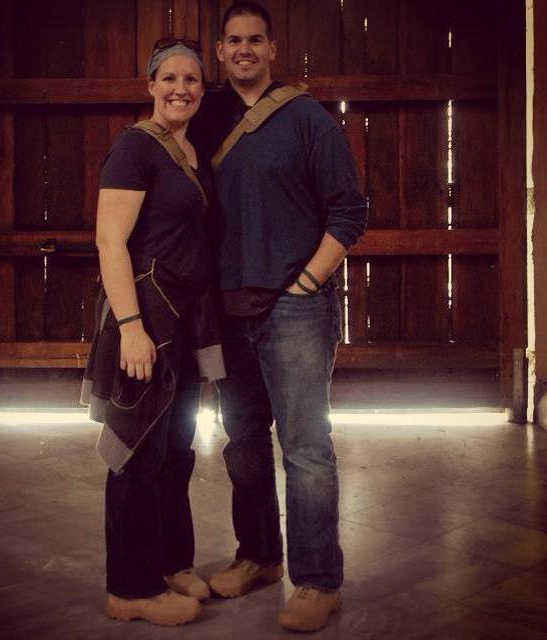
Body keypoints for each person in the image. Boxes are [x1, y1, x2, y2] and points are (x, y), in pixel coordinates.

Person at [188, 2, 367, 633]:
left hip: (295, 308)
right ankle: (260, 557)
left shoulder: (307, 119)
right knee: (243, 446)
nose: (244, 49)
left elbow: (349, 211)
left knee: (306, 448)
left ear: (271, 48)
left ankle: (318, 581)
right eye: (233, 40)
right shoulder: (202, 117)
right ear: (220, 51)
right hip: (227, 309)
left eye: (255, 39)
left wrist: (308, 281)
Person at [81, 37, 224, 627]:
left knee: (174, 450)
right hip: (146, 320)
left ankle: (168, 564)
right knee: (138, 454)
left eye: (191, 79)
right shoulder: (135, 148)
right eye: (169, 78)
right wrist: (132, 328)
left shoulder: (190, 151)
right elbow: (109, 241)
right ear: (150, 86)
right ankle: (131, 588)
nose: (180, 89)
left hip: (184, 321)